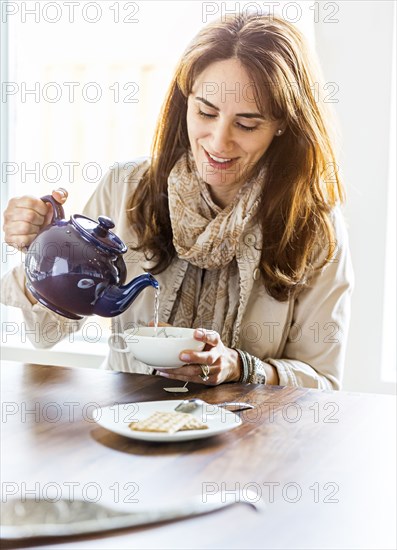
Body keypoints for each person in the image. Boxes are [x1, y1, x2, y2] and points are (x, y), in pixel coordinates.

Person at [1, 13, 354, 389]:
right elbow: (46, 333)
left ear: (283, 123)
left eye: (247, 124)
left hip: (250, 441)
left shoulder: (313, 226)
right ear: (184, 101)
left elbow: (324, 382)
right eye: (206, 111)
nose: (219, 142)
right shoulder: (126, 188)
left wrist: (241, 368)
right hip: (131, 427)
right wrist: (41, 248)